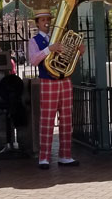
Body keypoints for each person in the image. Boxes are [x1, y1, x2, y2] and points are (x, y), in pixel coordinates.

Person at [28, 9, 84, 169]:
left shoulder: (60, 38)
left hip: (65, 80)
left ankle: (65, 155)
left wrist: (79, 53)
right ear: (37, 23)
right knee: (47, 120)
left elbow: (69, 59)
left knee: (67, 119)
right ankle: (44, 157)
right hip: (47, 81)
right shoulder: (34, 41)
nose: (46, 22)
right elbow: (33, 60)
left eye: (48, 19)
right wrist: (49, 49)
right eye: (43, 19)